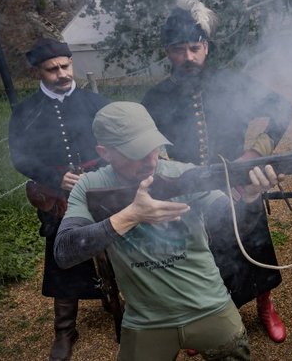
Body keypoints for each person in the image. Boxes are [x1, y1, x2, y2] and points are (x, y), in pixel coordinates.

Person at [54, 101, 280, 360]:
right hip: (144, 319)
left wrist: (249, 198)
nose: (150, 159)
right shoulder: (90, 186)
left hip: (209, 304)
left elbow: (230, 227)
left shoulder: (184, 174)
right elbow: (64, 251)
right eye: (135, 152)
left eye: (152, 147)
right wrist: (131, 216)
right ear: (105, 152)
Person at [141, 0, 292, 343]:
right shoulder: (155, 98)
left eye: (195, 48)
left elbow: (283, 108)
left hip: (238, 184)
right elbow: (147, 145)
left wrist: (255, 151)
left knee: (254, 248)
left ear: (206, 47)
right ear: (168, 52)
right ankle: (205, 317)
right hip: (186, 191)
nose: (188, 57)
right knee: (199, 257)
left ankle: (265, 305)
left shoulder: (232, 82)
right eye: (180, 50)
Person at [8, 37, 111, 361]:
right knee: (61, 255)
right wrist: (54, 178)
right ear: (38, 71)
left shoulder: (96, 104)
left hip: (100, 190)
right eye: (52, 69)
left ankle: (132, 307)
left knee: (118, 241)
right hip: (57, 197)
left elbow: (117, 143)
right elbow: (19, 157)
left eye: (66, 66)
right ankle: (65, 330)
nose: (62, 73)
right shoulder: (26, 112)